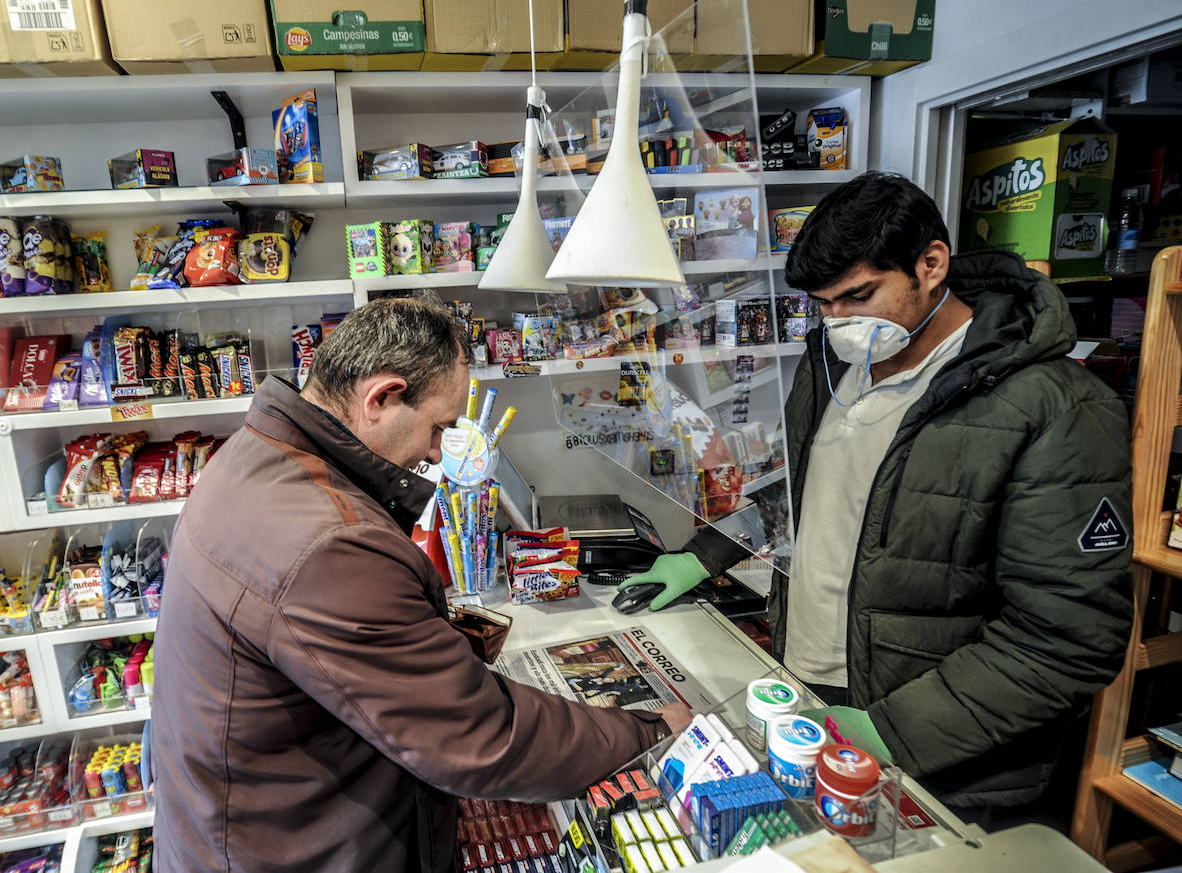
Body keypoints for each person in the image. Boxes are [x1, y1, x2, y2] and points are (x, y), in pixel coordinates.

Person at [621, 172, 1133, 819]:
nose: (838, 321)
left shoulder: (1055, 406)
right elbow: (809, 495)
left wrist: (888, 733)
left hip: (939, 755)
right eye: (823, 304)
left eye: (857, 296)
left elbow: (1068, 637)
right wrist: (702, 555)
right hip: (806, 692)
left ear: (931, 263)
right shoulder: (831, 361)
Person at [152, 297, 692, 873]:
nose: (437, 452)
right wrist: (649, 732)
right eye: (438, 427)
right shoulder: (333, 540)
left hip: (241, 827)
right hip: (296, 846)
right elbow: (481, 737)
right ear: (380, 398)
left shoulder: (256, 454)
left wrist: (430, 633)